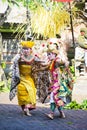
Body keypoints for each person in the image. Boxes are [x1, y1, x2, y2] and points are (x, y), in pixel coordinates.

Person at [9, 40, 37, 116]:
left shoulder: (34, 57)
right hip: (21, 78)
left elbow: (40, 63)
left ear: (30, 50)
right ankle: (25, 108)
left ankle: (27, 107)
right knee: (22, 92)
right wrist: (18, 58)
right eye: (24, 49)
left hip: (29, 78)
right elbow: (14, 62)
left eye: (27, 49)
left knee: (31, 91)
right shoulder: (18, 56)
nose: (25, 50)